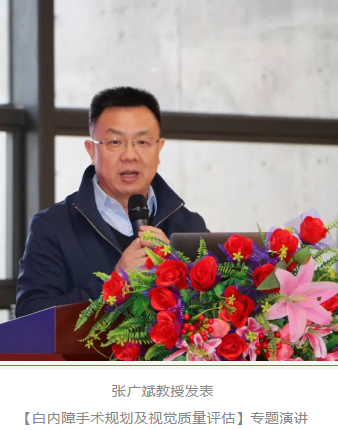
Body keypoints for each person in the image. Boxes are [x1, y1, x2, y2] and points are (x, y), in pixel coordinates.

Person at [15, 86, 209, 317]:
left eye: (143, 142)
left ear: (159, 149)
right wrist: (115, 282)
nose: (130, 155)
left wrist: (180, 275)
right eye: (115, 142)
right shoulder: (52, 227)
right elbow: (30, 316)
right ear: (92, 151)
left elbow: (216, 316)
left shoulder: (189, 226)